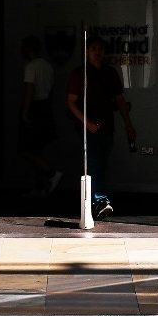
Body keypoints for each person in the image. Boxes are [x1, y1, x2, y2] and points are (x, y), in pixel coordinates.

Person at [66, 36, 136, 220]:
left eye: (100, 49)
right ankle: (101, 201)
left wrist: (128, 123)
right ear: (87, 52)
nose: (97, 53)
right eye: (93, 49)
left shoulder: (110, 73)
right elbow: (71, 102)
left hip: (107, 126)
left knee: (101, 164)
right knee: (94, 163)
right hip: (87, 128)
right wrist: (86, 123)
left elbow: (120, 100)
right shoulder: (79, 73)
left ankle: (95, 203)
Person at [19, 35, 62, 197]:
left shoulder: (31, 67)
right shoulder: (48, 66)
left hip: (35, 108)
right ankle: (40, 186)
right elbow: (51, 90)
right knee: (38, 148)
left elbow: (29, 90)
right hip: (46, 107)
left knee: (26, 149)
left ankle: (52, 174)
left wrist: (25, 111)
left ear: (28, 48)